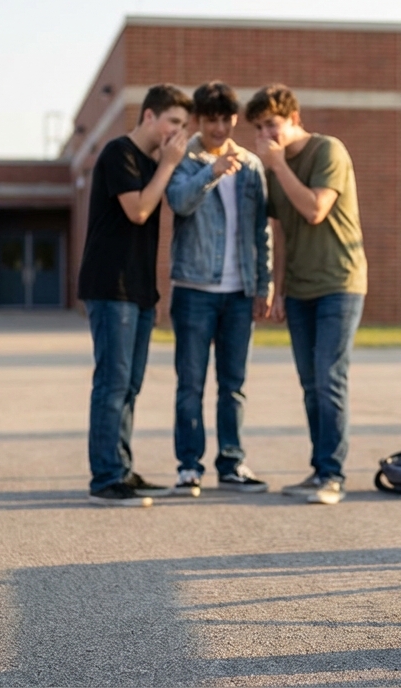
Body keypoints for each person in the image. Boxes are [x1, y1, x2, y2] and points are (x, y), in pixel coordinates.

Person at [246, 83, 367, 506]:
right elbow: (281, 228)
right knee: (310, 383)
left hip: (339, 283)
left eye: (272, 124)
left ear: (294, 119)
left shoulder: (327, 151)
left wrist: (277, 164)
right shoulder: (271, 167)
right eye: (259, 128)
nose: (265, 134)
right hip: (298, 290)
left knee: (329, 378)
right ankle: (319, 470)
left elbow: (315, 210)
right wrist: (277, 287)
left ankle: (332, 476)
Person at [78, 84, 193, 507]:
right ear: (149, 116)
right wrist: (169, 165)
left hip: (141, 290)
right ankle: (105, 478)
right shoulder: (119, 153)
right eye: (174, 122)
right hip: (111, 288)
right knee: (112, 384)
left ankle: (122, 468)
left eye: (184, 125)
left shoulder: (153, 161)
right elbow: (140, 210)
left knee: (130, 386)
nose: (178, 132)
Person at [164, 81, 273, 496]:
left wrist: (264, 284)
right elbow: (178, 202)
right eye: (211, 119)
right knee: (190, 382)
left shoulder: (249, 164)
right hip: (194, 288)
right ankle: (188, 466)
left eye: (227, 119)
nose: (219, 127)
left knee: (234, 384)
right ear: (199, 120)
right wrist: (210, 172)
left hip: (240, 293)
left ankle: (231, 464)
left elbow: (261, 230)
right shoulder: (185, 158)